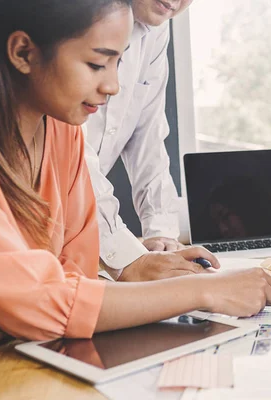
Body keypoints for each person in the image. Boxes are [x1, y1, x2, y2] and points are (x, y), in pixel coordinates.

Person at [0, 0, 271, 355]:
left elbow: (71, 284)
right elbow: (46, 302)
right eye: (96, 64)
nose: (114, 86)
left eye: (119, 63)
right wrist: (204, 291)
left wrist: (9, 314)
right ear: (23, 52)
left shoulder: (65, 134)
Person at [84, 0, 197, 282]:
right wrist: (127, 259)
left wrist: (161, 233)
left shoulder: (156, 29)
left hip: (79, 234)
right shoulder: (76, 14)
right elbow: (72, 156)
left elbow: (149, 135)